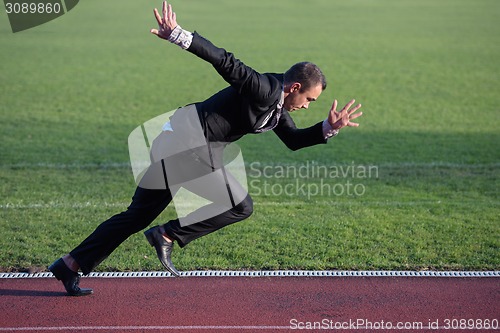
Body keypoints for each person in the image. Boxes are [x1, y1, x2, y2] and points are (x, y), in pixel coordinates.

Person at [48, 1, 363, 296]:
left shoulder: (276, 109)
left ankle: (70, 264)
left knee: (135, 217)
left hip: (176, 142)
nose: (308, 106)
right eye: (309, 99)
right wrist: (179, 36)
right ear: (295, 88)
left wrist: (328, 129)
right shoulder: (265, 88)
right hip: (188, 144)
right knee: (241, 206)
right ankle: (167, 235)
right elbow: (226, 61)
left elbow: (294, 141)